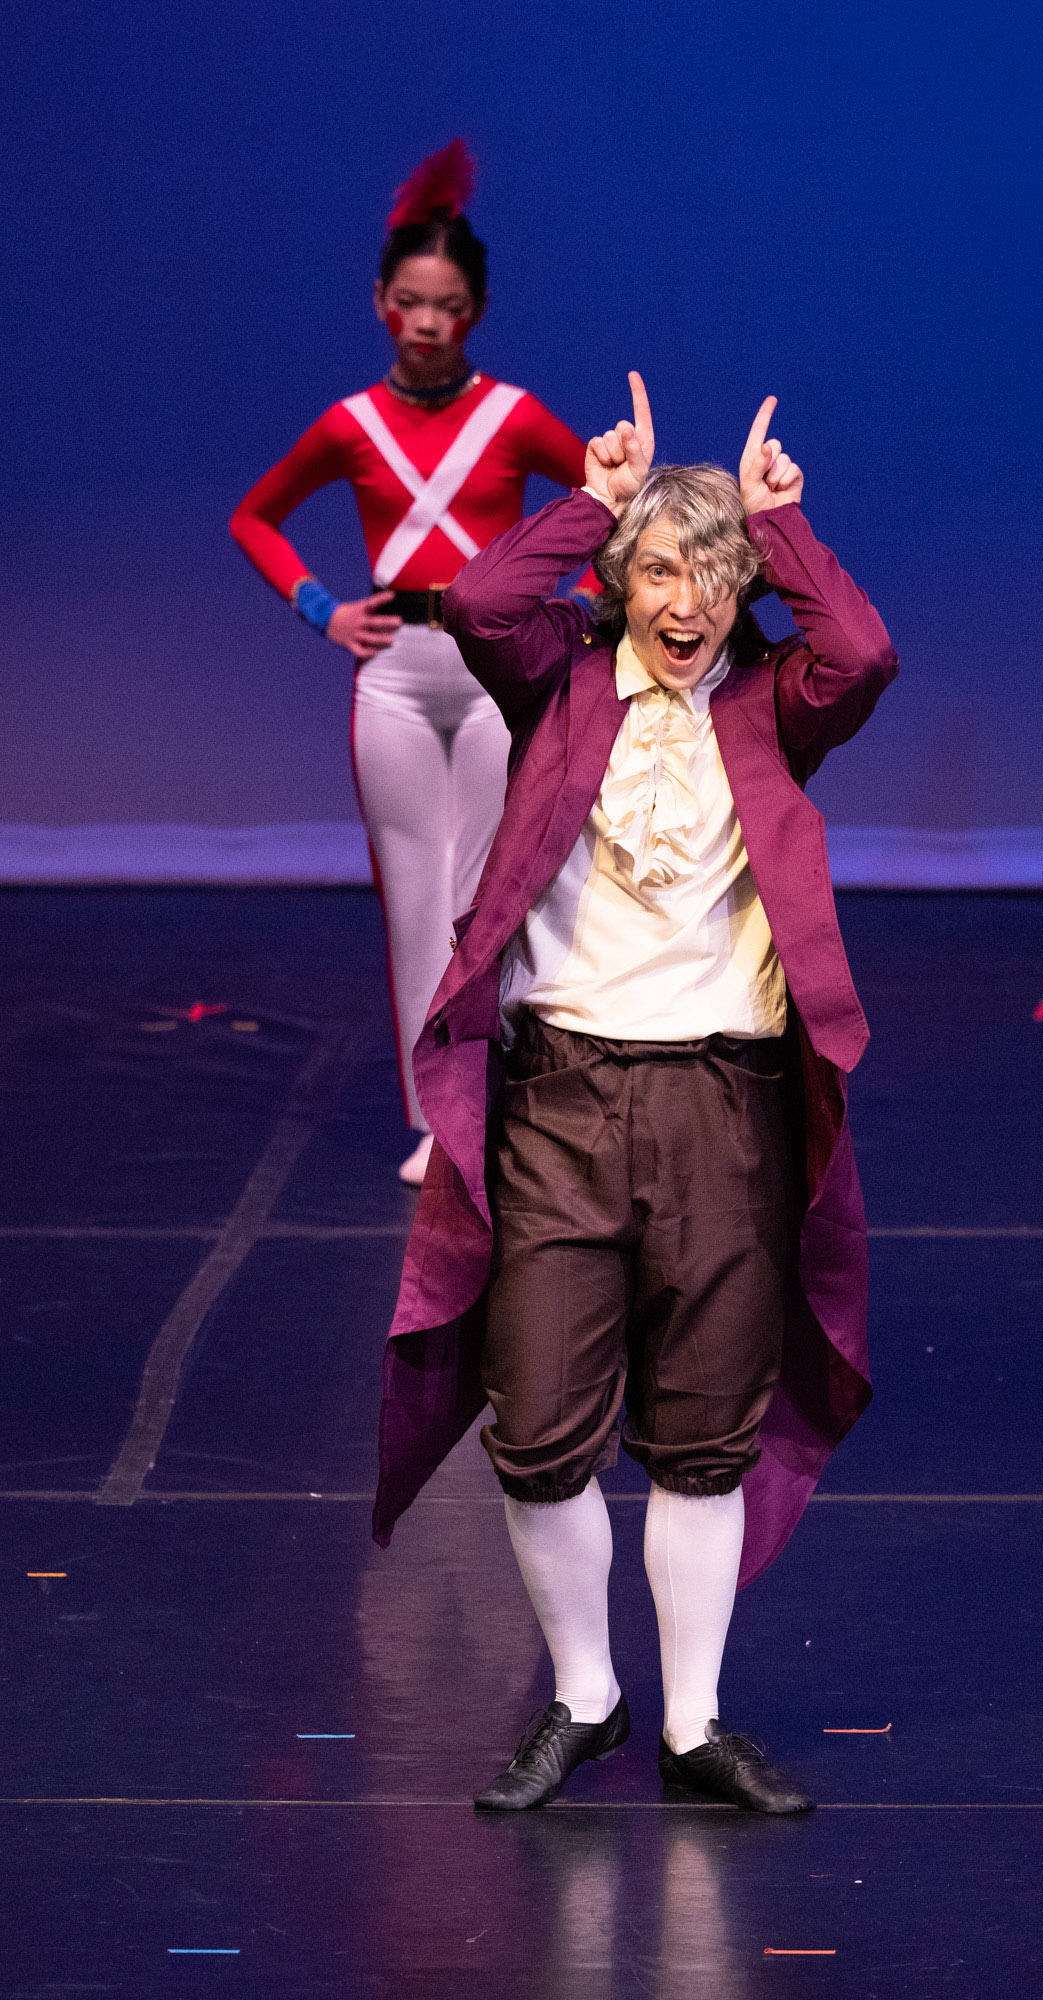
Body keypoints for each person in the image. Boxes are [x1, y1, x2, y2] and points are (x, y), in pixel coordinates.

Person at [371, 374, 897, 1813]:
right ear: (620, 582)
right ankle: (585, 1698)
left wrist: (776, 528)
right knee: (537, 1422)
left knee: (704, 1434)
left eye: (713, 578)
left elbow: (861, 648)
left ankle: (692, 1723)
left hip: (723, 1105)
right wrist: (593, 502)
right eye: (661, 570)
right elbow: (482, 600)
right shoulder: (556, 676)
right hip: (560, 1101)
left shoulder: (772, 704)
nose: (687, 602)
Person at [229, 142, 590, 1183]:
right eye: (409, 303)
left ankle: (495, 1102)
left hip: (489, 678)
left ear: (477, 311)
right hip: (390, 676)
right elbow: (255, 518)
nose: (427, 322)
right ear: (380, 303)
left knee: (483, 892)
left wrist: (567, 607)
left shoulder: (512, 417)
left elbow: (612, 505)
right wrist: (321, 610)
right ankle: (438, 1119)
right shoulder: (349, 425)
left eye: (448, 306)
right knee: (413, 902)